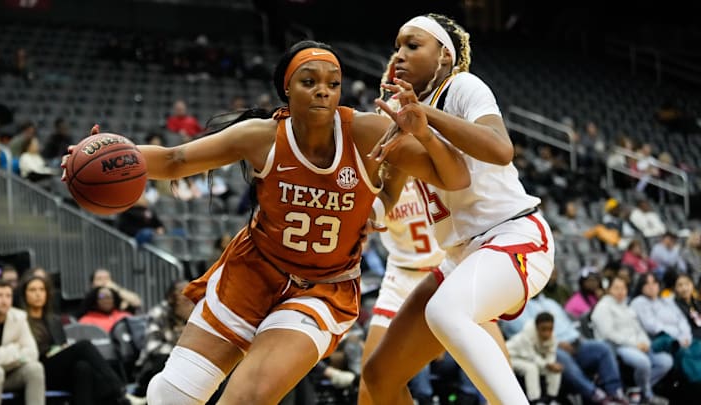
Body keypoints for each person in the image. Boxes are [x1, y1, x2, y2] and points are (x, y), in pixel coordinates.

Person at [62, 39, 468, 404]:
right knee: (171, 395)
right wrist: (102, 153)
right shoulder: (261, 136)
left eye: (333, 81)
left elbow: (454, 177)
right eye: (309, 81)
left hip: (321, 290)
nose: (324, 90)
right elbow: (174, 160)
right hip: (252, 273)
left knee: (246, 399)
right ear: (287, 90)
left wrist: (426, 138)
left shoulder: (366, 131)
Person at [360, 13, 555, 405]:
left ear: (445, 58)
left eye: (412, 46)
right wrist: (366, 218)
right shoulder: (399, 114)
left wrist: (427, 117)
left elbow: (501, 150)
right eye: (396, 46)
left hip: (513, 234)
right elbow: (390, 195)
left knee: (445, 312)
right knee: (379, 378)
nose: (398, 55)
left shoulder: (461, 86)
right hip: (459, 255)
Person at [357, 176, 447, 405]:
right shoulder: (377, 175)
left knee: (496, 372)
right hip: (400, 276)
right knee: (370, 386)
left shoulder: (437, 165)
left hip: (447, 272)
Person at [19, 274, 133, 405]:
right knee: (84, 346)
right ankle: (120, 391)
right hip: (36, 369)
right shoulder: (20, 319)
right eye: (32, 290)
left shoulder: (54, 320)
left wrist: (61, 349)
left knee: (82, 368)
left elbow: (61, 344)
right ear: (24, 294)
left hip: (58, 369)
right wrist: (53, 350)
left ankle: (115, 394)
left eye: (41, 289)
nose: (38, 294)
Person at [500, 292, 629, 404]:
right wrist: (557, 343)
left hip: (575, 342)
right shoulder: (515, 308)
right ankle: (597, 396)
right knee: (562, 358)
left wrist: (579, 341)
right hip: (547, 349)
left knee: (602, 348)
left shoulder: (551, 303)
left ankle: (616, 394)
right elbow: (529, 337)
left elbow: (569, 325)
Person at [591, 275, 672, 405]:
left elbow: (639, 328)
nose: (620, 291)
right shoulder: (603, 307)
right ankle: (647, 395)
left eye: (623, 288)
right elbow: (609, 333)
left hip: (638, 345)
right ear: (609, 290)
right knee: (643, 362)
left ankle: (637, 390)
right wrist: (635, 344)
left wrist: (645, 342)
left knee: (665, 361)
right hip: (618, 346)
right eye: (616, 288)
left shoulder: (626, 307)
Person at [0, 280, 45, 404]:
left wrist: (1, 355)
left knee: (35, 368)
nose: (4, 301)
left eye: (8, 296)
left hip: (10, 375)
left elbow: (33, 353)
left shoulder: (19, 317)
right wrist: (15, 349)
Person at [630, 273, 701, 385]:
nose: (651, 286)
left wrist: (685, 336)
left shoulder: (666, 300)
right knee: (682, 351)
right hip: (658, 340)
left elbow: (681, 321)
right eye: (647, 284)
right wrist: (678, 336)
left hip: (681, 337)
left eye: (654, 283)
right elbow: (652, 326)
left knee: (697, 346)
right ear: (641, 286)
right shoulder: (639, 302)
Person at [134, 279, 194, 398]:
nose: (188, 295)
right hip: (153, 367)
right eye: (183, 292)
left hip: (181, 366)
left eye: (190, 291)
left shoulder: (193, 313)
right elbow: (153, 347)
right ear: (171, 297)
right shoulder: (158, 313)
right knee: (165, 358)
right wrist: (181, 353)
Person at [506, 312, 563, 405]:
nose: (547, 333)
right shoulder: (526, 334)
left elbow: (550, 355)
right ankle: (535, 401)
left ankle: (551, 399)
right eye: (543, 329)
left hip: (531, 360)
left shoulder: (552, 337)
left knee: (555, 370)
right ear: (536, 327)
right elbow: (531, 356)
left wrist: (551, 364)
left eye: (550, 329)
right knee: (531, 368)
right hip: (511, 357)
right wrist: (547, 364)